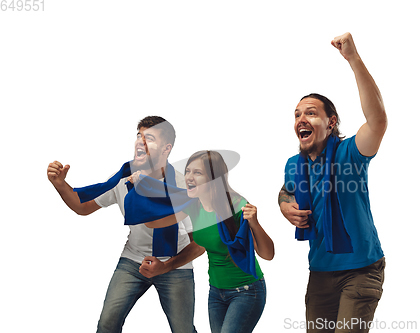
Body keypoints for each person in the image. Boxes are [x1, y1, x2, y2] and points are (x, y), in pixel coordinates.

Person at [47, 116, 204, 333]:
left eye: (149, 138)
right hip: (133, 260)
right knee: (107, 325)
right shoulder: (124, 179)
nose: (140, 141)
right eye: (139, 135)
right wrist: (60, 184)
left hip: (174, 263)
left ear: (166, 148)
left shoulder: (183, 187)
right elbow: (82, 207)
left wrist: (166, 266)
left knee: (184, 330)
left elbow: (202, 243)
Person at [278, 32, 387, 333]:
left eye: (311, 113)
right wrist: (285, 207)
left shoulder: (349, 153)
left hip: (361, 270)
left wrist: (353, 59)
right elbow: (286, 193)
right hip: (320, 272)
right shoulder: (294, 165)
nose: (301, 118)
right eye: (297, 114)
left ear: (331, 122)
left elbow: (377, 121)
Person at [140, 150, 274, 333]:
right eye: (187, 171)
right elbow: (153, 222)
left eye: (197, 172)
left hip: (246, 291)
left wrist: (255, 223)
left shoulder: (236, 205)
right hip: (216, 293)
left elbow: (268, 254)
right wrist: (141, 187)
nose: (188, 176)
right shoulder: (193, 205)